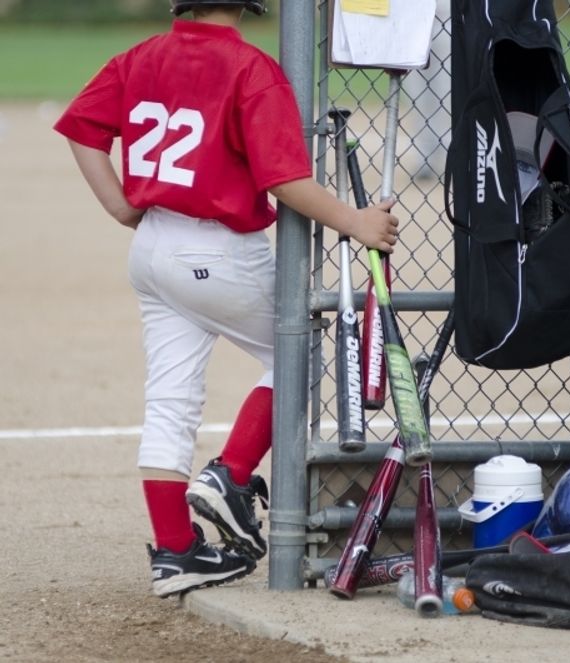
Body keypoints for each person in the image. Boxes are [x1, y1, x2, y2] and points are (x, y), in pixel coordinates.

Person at [53, 0, 399, 599]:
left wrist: (119, 204)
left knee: (169, 404)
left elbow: (82, 129)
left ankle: (176, 553)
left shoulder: (140, 57)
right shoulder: (251, 67)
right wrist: (355, 222)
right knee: (298, 357)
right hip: (219, 252)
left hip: (153, 246)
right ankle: (231, 478)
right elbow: (284, 181)